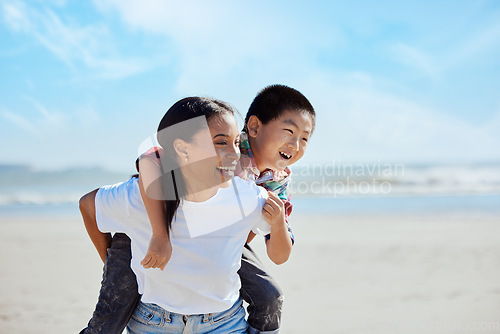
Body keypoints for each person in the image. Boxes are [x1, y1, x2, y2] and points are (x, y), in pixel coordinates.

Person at [81, 85, 316, 334]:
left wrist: (266, 227)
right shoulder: (228, 139)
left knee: (270, 296)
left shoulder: (275, 182)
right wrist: (157, 235)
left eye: (304, 138)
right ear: (255, 128)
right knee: (114, 309)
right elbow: (150, 158)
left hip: (220, 242)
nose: (296, 144)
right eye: (289, 132)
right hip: (148, 224)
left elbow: (272, 243)